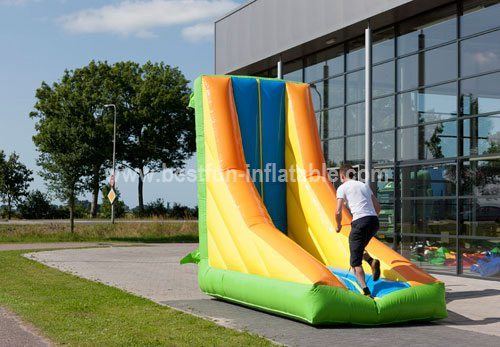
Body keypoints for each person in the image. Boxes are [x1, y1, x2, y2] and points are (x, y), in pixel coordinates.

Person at [335, 163, 381, 298]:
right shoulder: (363, 185)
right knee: (358, 248)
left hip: (360, 222)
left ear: (342, 176)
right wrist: (369, 218)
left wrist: (338, 225)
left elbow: (337, 211)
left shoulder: (342, 187)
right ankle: (371, 261)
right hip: (373, 222)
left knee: (354, 262)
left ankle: (366, 292)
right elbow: (378, 207)